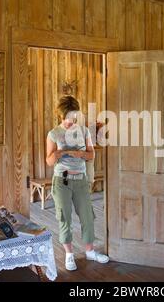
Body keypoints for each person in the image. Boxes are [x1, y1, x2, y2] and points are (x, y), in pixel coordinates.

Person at [46, 95, 109, 271]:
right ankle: (69, 255)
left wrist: (78, 154)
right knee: (64, 217)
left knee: (87, 216)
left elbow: (91, 155)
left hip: (80, 179)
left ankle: (90, 251)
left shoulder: (84, 131)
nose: (69, 120)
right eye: (66, 117)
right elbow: (49, 161)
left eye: (73, 116)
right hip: (62, 180)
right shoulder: (53, 134)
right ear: (60, 115)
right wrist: (58, 153)